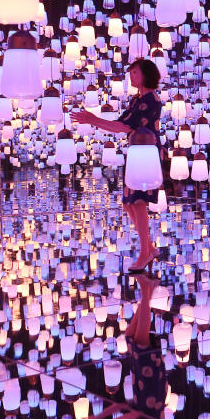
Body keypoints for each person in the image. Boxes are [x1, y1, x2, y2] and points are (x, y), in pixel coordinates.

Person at [72, 59, 162, 272]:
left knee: (138, 201)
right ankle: (148, 247)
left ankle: (145, 252)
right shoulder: (137, 99)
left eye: (135, 72)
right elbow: (120, 125)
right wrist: (92, 120)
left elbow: (122, 126)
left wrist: (92, 119)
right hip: (136, 151)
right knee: (128, 202)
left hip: (145, 153)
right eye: (130, 72)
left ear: (146, 74)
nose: (131, 76)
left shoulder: (150, 100)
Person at [79, 274, 169, 419]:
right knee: (141, 341)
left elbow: (122, 407)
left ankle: (149, 289)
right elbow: (132, 417)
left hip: (146, 385)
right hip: (150, 383)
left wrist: (97, 418)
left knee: (130, 336)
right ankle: (147, 290)